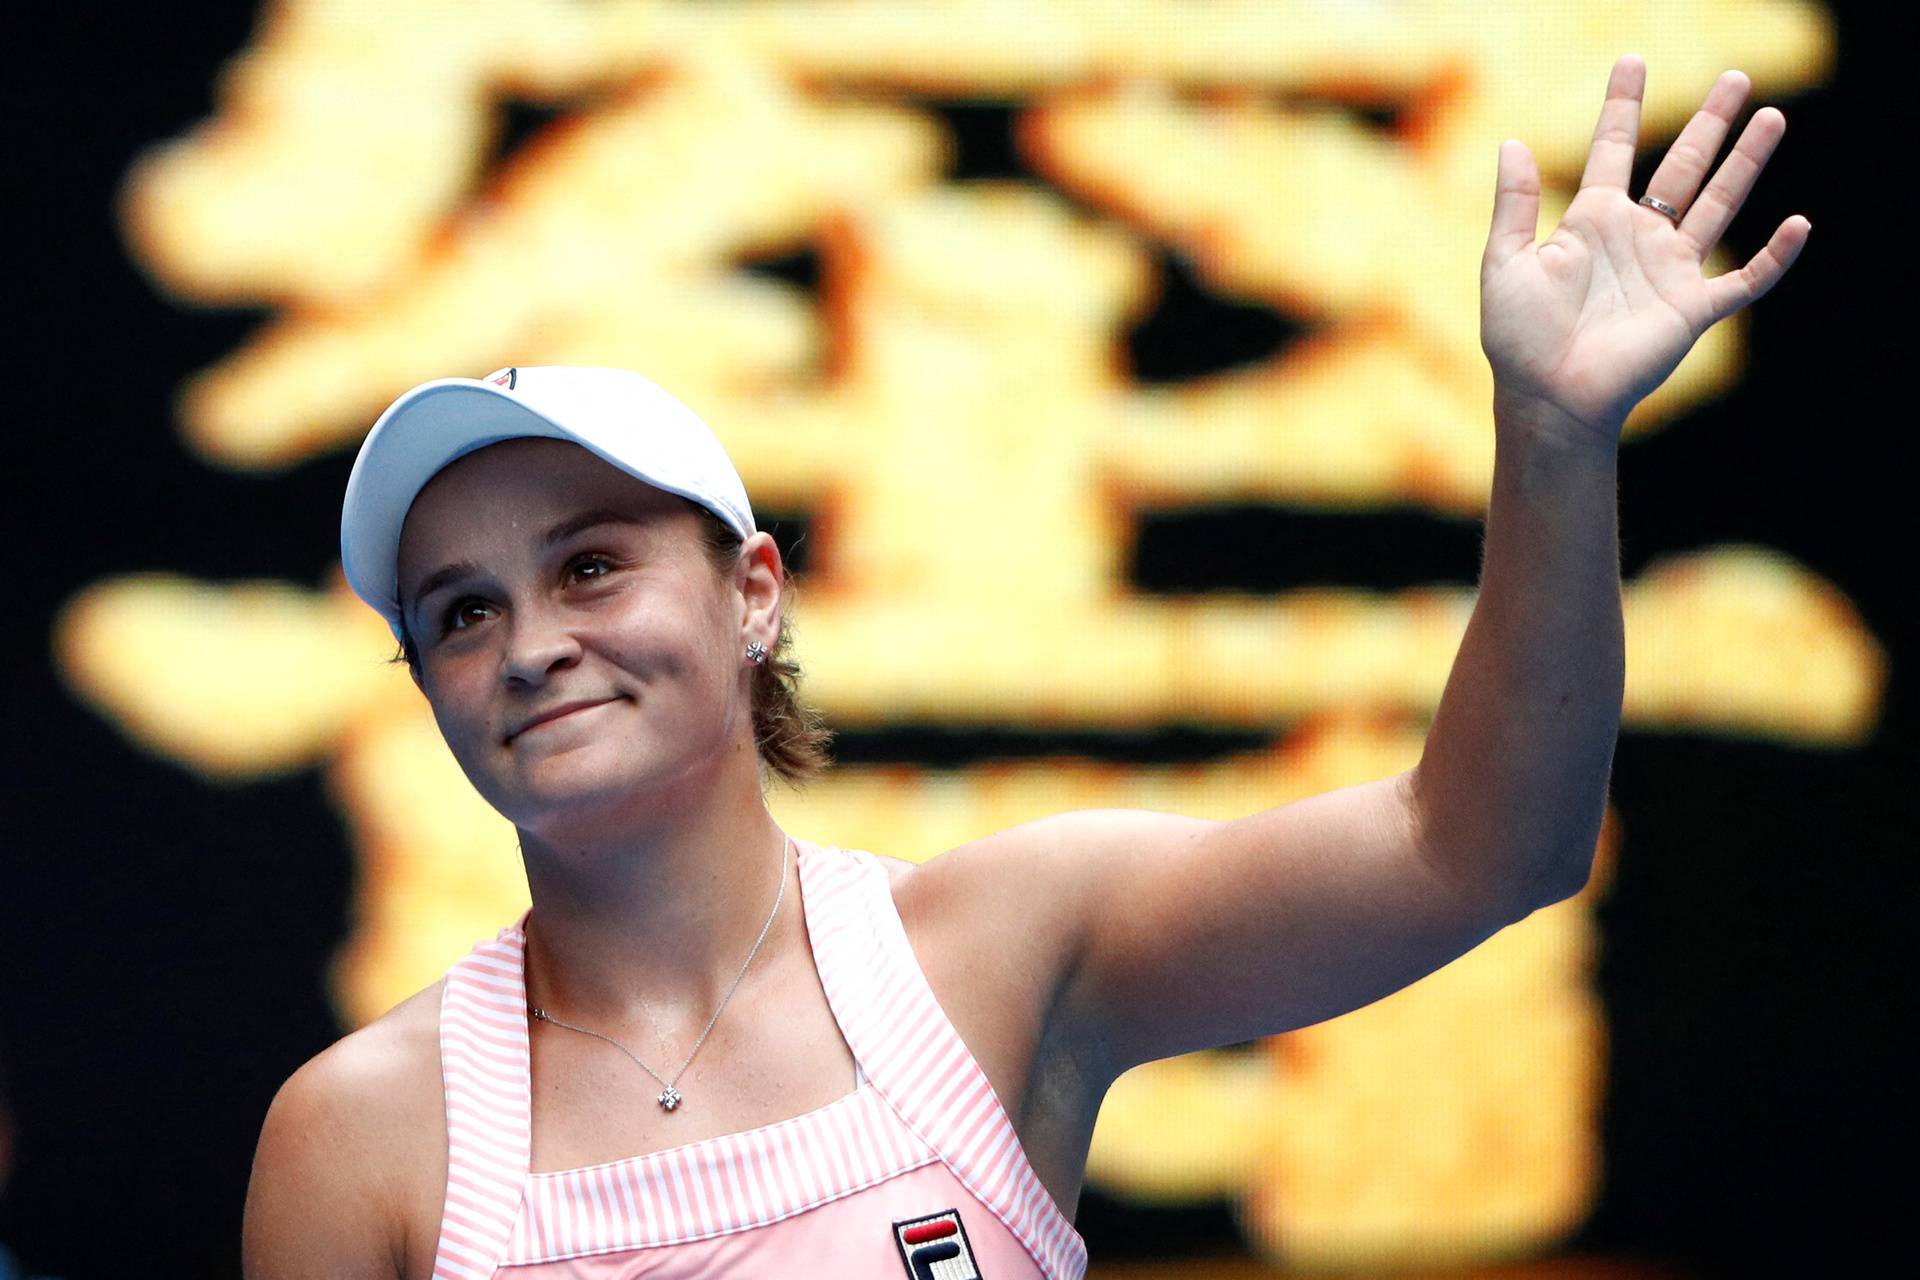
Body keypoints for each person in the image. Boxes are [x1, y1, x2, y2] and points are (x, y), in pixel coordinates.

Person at [241, 55, 1809, 1279]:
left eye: (590, 565)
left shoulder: (998, 949)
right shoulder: (358, 1137)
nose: (531, 647)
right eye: (459, 612)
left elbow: (1479, 846)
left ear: (753, 596)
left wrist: (1553, 438)